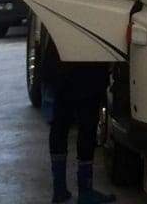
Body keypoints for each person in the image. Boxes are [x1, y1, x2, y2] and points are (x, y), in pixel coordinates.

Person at [35, 34, 114, 204]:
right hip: (88, 64)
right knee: (87, 125)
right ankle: (85, 190)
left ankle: (59, 189)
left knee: (60, 123)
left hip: (59, 60)